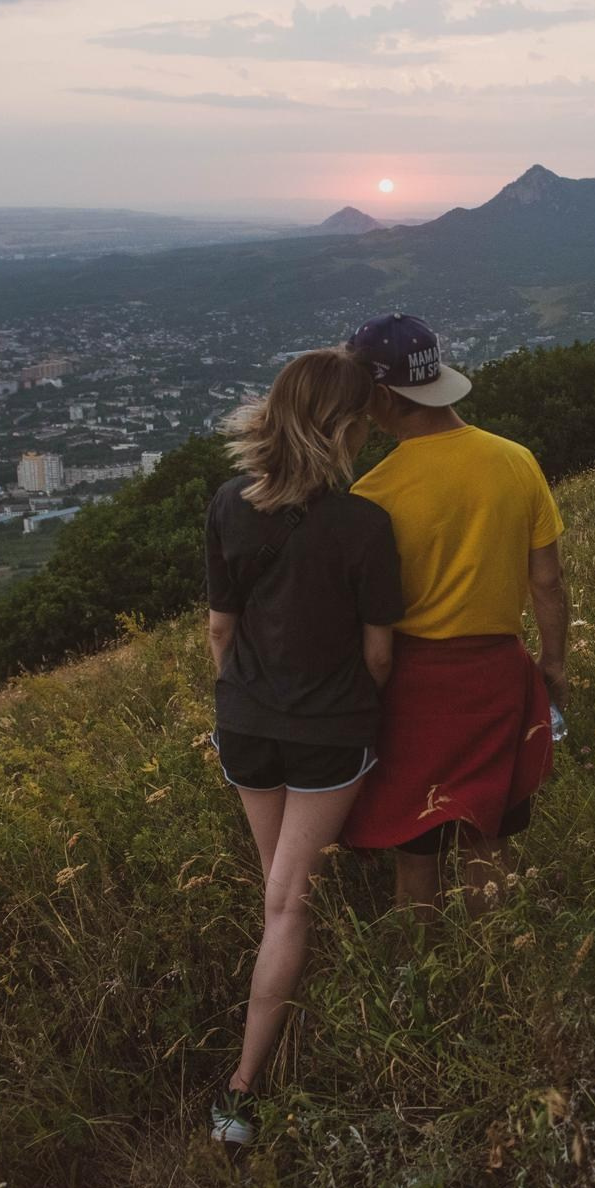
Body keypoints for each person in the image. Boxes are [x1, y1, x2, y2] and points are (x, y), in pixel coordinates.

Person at [203, 347, 404, 1147]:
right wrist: (356, 709)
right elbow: (381, 654)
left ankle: (283, 996)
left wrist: (247, 694)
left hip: (246, 723)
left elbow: (220, 628)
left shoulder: (228, 502)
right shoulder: (365, 525)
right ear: (347, 427)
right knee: (290, 902)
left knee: (277, 894)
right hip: (328, 733)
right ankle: (242, 1093)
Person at [337, 313, 569, 918]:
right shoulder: (517, 462)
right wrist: (554, 663)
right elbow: (548, 579)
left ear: (381, 396)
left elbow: (364, 623)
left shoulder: (372, 495)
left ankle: (427, 980)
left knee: (415, 849)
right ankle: (502, 973)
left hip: (413, 692)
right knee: (487, 839)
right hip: (497, 681)